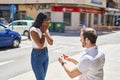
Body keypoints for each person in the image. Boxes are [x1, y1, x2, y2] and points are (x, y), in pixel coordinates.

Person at [29, 12, 53, 80]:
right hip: (37, 55)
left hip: (45, 54)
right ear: (41, 21)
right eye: (46, 22)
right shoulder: (33, 30)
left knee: (42, 78)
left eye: (48, 22)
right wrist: (43, 32)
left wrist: (45, 32)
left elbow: (51, 42)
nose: (47, 24)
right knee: (40, 79)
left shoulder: (45, 29)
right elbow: (40, 45)